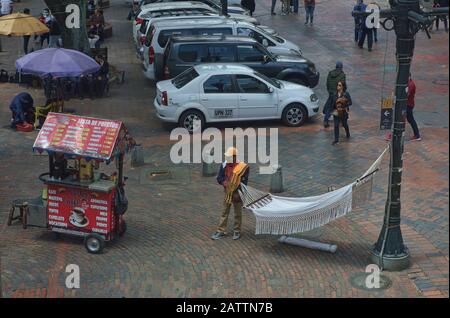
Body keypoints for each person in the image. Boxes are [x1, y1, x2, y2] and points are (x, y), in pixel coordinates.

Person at [211, 147, 249, 241]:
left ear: (235, 157)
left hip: (237, 193)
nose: (228, 159)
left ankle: (237, 230)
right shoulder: (224, 165)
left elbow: (244, 182)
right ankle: (221, 230)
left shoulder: (243, 167)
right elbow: (219, 178)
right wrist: (223, 182)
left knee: (237, 213)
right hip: (227, 191)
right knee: (224, 211)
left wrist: (238, 192)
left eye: (230, 157)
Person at [323, 61, 346, 128]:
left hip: (331, 93)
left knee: (329, 108)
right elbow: (343, 85)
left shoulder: (330, 73)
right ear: (341, 67)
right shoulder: (342, 75)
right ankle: (342, 122)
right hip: (337, 94)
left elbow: (327, 83)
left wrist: (330, 91)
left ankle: (325, 121)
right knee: (341, 107)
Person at [331, 81, 352, 145]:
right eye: (337, 85)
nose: (338, 86)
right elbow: (332, 103)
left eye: (340, 85)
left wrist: (344, 103)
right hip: (336, 112)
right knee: (336, 125)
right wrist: (332, 110)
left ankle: (347, 133)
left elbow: (350, 102)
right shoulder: (334, 94)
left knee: (344, 124)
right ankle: (336, 140)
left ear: (343, 86)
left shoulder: (346, 94)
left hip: (343, 112)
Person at [406, 74, 421, 141]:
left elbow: (406, 95)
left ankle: (417, 135)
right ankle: (417, 135)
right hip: (408, 104)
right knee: (410, 119)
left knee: (408, 119)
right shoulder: (407, 83)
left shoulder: (411, 84)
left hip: (408, 105)